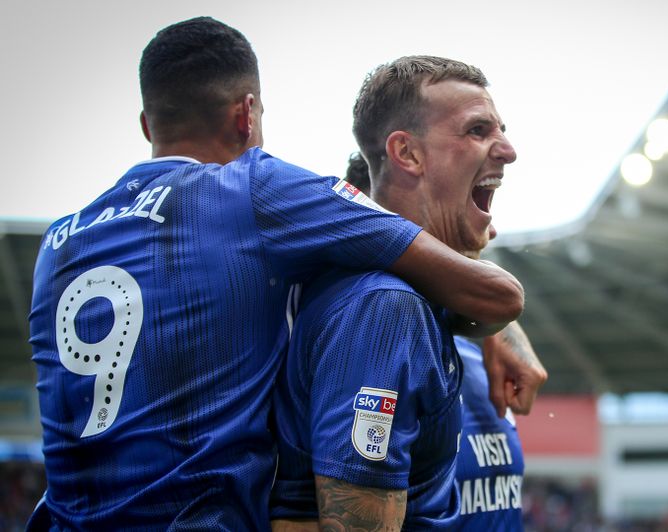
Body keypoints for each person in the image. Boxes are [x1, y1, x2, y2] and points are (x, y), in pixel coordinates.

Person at [27, 18, 532, 530]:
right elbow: (472, 285)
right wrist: (496, 326)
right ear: (246, 115)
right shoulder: (253, 190)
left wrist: (482, 333)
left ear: (146, 125)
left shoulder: (61, 241)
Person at [270, 55, 543, 530]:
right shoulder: (383, 309)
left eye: (501, 130)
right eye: (477, 130)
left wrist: (498, 329)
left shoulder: (433, 311)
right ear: (407, 154)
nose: (508, 150)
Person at [344, 152, 529, 529]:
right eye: (460, 207)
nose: (490, 231)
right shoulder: (362, 350)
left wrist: (501, 326)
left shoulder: (476, 358)